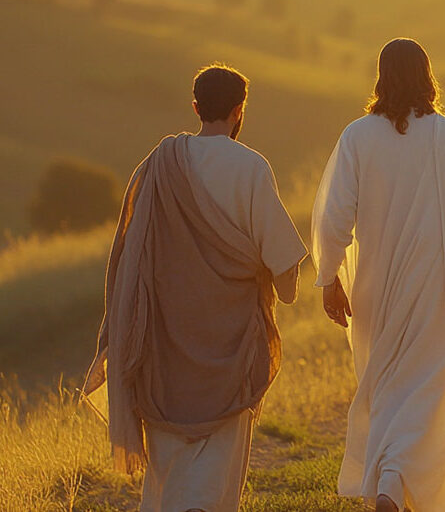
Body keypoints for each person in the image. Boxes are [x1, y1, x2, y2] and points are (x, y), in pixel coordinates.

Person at [82, 64, 308, 512]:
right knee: (217, 468)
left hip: (164, 345)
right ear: (239, 110)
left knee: (168, 470)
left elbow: (130, 256)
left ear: (195, 107)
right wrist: (283, 289)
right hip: (231, 344)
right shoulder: (251, 168)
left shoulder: (159, 165)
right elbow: (284, 266)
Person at [311, 38, 445, 512]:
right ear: (427, 76)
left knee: (386, 386)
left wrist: (329, 279)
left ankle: (389, 480)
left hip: (375, 290)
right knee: (427, 392)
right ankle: (394, 482)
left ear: (381, 76)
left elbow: (334, 218)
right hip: (438, 292)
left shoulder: (358, 136)